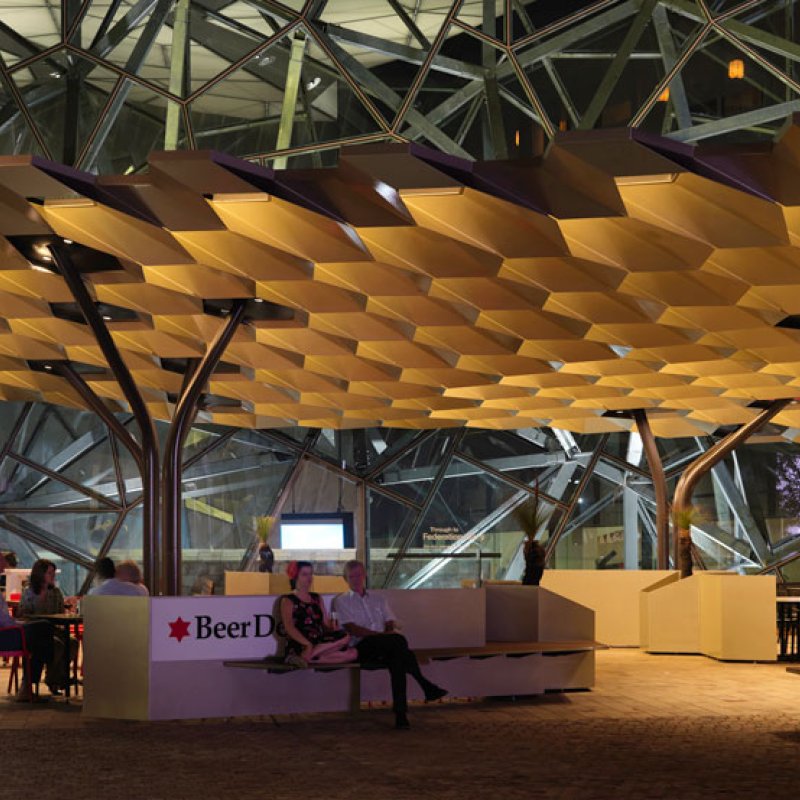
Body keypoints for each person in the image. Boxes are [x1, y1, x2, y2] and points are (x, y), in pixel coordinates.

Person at [334, 560, 447, 730]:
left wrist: (385, 636)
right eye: (352, 576)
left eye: (359, 575)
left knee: (398, 660)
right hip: (361, 647)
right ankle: (424, 685)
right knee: (398, 642)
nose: (356, 579)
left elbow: (389, 620)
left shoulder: (379, 599)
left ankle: (401, 715)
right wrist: (382, 637)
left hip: (386, 646)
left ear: (364, 575)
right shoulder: (342, 601)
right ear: (346, 579)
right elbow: (353, 629)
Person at [279, 561, 356, 668]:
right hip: (301, 642)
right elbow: (289, 627)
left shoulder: (316, 598)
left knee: (352, 652)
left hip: (319, 641)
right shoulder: (288, 600)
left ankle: (307, 659)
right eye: (305, 574)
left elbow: (325, 623)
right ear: (295, 577)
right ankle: (305, 655)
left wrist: (332, 626)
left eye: (311, 574)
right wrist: (307, 644)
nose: (309, 578)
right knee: (345, 645)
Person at [17, 559, 78, 695]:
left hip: (53, 628)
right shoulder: (29, 592)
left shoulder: (55, 592)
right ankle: (55, 680)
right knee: (56, 645)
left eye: (53, 573)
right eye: (50, 573)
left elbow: (60, 613)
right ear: (40, 574)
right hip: (35, 630)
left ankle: (53, 678)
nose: (53, 576)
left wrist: (68, 606)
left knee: (72, 642)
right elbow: (23, 613)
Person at [1, 553, 54, 700]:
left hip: (9, 631)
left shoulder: (54, 592)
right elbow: (5, 621)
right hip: (7, 635)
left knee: (39, 639)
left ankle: (27, 687)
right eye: (2, 561)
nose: (5, 565)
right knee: (44, 628)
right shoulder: (29, 592)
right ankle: (48, 664)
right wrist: (20, 623)